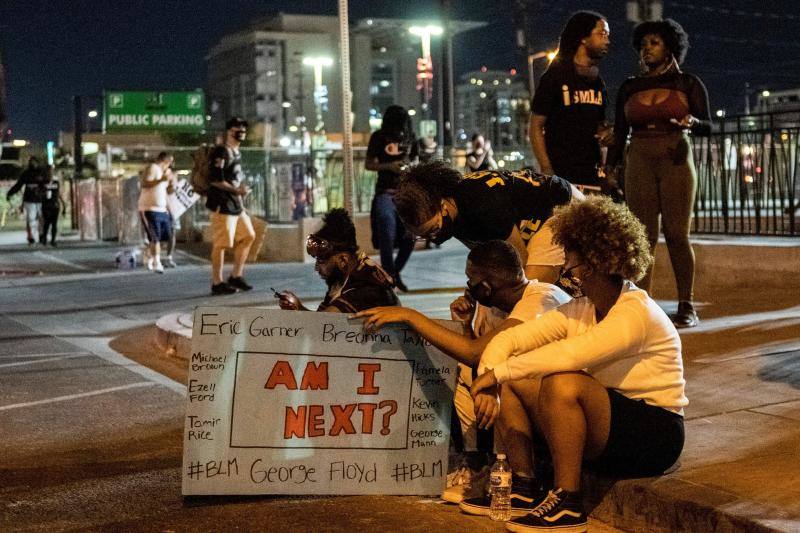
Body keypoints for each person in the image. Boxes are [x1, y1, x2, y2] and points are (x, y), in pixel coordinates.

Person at [468, 196, 686, 532]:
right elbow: (514, 339)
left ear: (596, 263)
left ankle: (568, 502)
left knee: (562, 380)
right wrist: (491, 378)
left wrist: (497, 372)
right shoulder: (581, 308)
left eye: (571, 264)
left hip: (655, 431)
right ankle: (524, 486)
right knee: (515, 377)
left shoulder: (636, 311)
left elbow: (572, 356)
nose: (567, 273)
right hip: (609, 418)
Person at [355, 240, 570, 503]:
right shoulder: (493, 307)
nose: (468, 287)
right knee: (463, 373)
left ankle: (521, 479)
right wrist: (465, 326)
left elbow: (476, 352)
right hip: (529, 401)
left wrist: (410, 316)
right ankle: (477, 463)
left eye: (471, 280)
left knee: (502, 379)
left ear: (486, 286)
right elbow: (476, 359)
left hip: (560, 404)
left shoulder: (541, 299)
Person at [607, 19, 711, 329]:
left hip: (675, 156)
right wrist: (610, 168)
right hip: (638, 157)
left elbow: (709, 126)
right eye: (643, 44)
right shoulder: (629, 86)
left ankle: (686, 304)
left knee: (678, 234)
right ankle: (642, 304)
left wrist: (692, 123)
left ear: (670, 46)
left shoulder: (688, 84)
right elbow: (620, 131)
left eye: (654, 42)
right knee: (642, 236)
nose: (646, 49)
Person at [395, 161, 577, 285]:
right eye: (424, 236)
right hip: (533, 220)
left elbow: (519, 258)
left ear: (442, 204)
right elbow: (486, 259)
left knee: (530, 293)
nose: (432, 238)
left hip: (558, 208)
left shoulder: (480, 204)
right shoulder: (453, 212)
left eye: (433, 230)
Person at [529, 11, 614, 193]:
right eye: (602, 34)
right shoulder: (555, 76)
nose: (607, 40)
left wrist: (608, 134)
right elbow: (535, 125)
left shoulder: (598, 82)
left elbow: (599, 124)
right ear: (583, 38)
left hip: (591, 173)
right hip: (561, 173)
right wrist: (546, 168)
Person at [277, 208, 399, 313]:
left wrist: (300, 310)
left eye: (321, 261)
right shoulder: (343, 277)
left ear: (342, 260)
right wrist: (298, 307)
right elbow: (322, 320)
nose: (316, 268)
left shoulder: (365, 285)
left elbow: (324, 325)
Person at [365, 105, 418, 292]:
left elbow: (416, 161)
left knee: (411, 235)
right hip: (385, 192)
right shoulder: (378, 137)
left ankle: (392, 274)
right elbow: (369, 164)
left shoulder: (410, 137)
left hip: (406, 193)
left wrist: (408, 166)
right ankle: (389, 276)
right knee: (386, 233)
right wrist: (389, 166)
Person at [206, 117, 256, 295]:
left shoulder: (236, 152)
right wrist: (238, 191)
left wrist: (241, 202)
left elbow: (234, 179)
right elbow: (215, 180)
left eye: (243, 128)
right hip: (222, 204)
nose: (241, 131)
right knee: (221, 244)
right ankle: (217, 282)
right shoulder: (222, 151)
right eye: (237, 128)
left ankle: (236, 275)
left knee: (249, 235)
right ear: (229, 131)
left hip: (235, 204)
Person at [137, 152, 175, 273]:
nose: (169, 166)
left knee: (167, 236)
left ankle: (149, 254)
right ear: (164, 161)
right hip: (149, 208)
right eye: (169, 163)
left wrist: (171, 185)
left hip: (162, 209)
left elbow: (166, 192)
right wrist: (161, 179)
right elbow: (145, 183)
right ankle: (156, 262)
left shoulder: (165, 173)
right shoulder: (153, 168)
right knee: (155, 237)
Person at [6, 156, 47, 245]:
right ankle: (30, 236)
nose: (33, 164)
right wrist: (10, 193)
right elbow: (19, 185)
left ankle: (41, 234)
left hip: (40, 199)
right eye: (31, 162)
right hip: (30, 199)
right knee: (30, 218)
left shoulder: (42, 173)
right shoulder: (26, 173)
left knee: (42, 218)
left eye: (34, 162)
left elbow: (46, 184)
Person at [40, 167, 65, 246]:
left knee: (54, 223)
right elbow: (39, 193)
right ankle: (44, 237)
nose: (50, 174)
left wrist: (63, 204)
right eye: (48, 172)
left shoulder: (56, 182)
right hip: (46, 205)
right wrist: (44, 194)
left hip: (55, 205)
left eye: (51, 172)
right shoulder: (43, 182)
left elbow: (58, 194)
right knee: (47, 222)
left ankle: (53, 240)